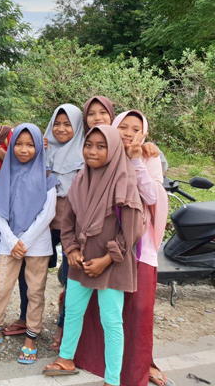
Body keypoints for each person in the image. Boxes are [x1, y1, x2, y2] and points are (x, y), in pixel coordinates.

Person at [73, 111, 171, 386]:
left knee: (139, 308)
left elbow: (152, 196)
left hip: (141, 247)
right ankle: (98, 362)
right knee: (107, 308)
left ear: (145, 133)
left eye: (135, 128)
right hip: (107, 243)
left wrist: (137, 160)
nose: (129, 132)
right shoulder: (106, 154)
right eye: (123, 127)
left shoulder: (150, 158)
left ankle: (141, 365)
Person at [43, 125, 144, 386]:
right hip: (81, 260)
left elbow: (132, 229)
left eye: (101, 146)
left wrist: (107, 259)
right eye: (89, 145)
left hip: (112, 263)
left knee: (111, 321)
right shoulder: (80, 178)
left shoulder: (125, 179)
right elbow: (68, 222)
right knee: (73, 310)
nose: (93, 151)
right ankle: (66, 358)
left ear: (113, 149)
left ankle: (112, 379)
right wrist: (72, 250)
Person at [0, 124, 57, 363]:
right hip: (8, 242)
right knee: (0, 288)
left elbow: (48, 213)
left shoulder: (47, 176)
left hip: (37, 244)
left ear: (38, 147)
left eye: (30, 144)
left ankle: (31, 338)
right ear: (11, 146)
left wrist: (24, 240)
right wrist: (13, 240)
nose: (24, 150)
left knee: (35, 291)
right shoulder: (5, 174)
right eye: (19, 144)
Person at [43, 104, 85, 351]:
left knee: (71, 279)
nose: (60, 129)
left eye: (67, 124)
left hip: (74, 226)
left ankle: (63, 326)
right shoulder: (43, 148)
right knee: (34, 274)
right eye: (56, 123)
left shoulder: (86, 151)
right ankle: (28, 319)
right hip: (45, 224)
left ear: (77, 126)